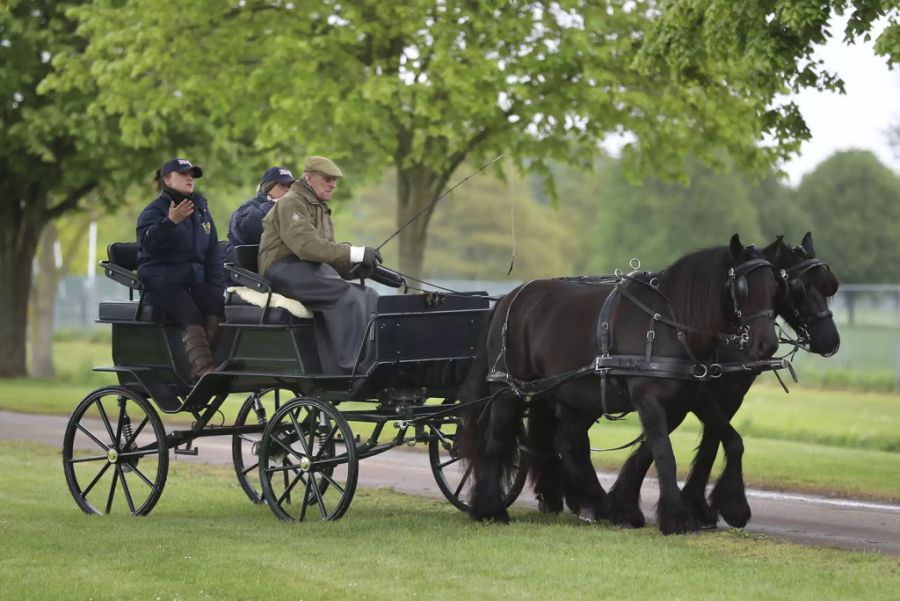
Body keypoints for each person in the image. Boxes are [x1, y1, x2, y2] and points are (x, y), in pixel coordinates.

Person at [257, 156, 382, 373]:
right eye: (327, 178)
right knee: (349, 297)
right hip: (283, 270)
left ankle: (371, 358)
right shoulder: (291, 202)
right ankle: (349, 367)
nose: (333, 184)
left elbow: (326, 251)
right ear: (309, 178)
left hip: (308, 269)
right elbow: (306, 246)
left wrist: (353, 267)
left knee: (369, 295)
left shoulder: (319, 207)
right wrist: (356, 253)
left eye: (334, 180)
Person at [136, 158, 226, 381]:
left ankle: (202, 363)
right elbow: (148, 244)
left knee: (218, 304)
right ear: (167, 179)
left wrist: (216, 289)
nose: (190, 178)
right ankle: (203, 370)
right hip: (161, 283)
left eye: (192, 175)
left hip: (191, 282)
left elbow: (213, 253)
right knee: (190, 312)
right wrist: (169, 223)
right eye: (183, 174)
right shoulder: (154, 211)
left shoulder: (201, 211)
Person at [225, 166, 295, 263]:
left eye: (290, 186)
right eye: (282, 185)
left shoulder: (292, 210)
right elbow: (247, 233)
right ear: (268, 187)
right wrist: (272, 206)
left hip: (280, 265)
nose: (287, 190)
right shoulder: (246, 208)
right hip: (243, 271)